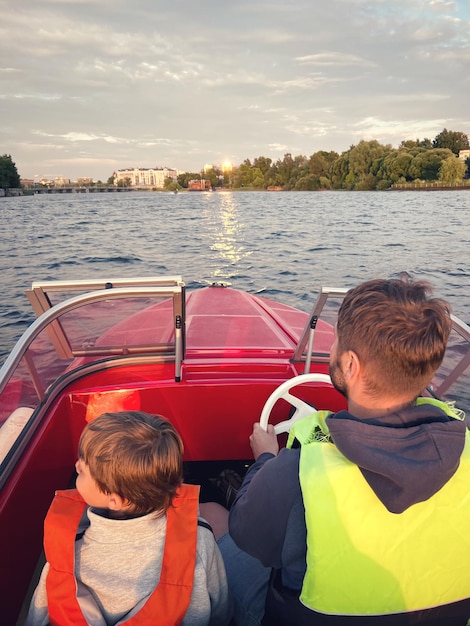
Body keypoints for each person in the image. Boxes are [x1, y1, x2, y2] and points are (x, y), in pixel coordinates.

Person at [202, 278, 470, 625]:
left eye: (336, 344)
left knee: (212, 517)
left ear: (351, 366)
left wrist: (266, 460)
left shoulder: (298, 472)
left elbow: (249, 537)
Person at [25, 411, 231, 626]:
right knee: (216, 512)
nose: (76, 466)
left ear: (113, 500)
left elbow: (37, 617)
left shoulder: (69, 551)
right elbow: (221, 610)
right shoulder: (198, 542)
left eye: (83, 470)